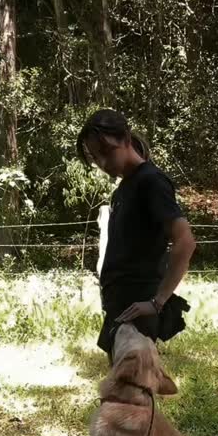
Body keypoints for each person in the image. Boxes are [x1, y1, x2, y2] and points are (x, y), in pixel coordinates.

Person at [76, 109, 196, 355]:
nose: (103, 163)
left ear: (126, 139)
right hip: (120, 309)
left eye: (107, 152)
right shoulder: (124, 189)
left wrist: (157, 302)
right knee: (121, 390)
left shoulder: (151, 181)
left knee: (133, 391)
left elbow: (185, 241)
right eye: (96, 157)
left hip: (138, 313)